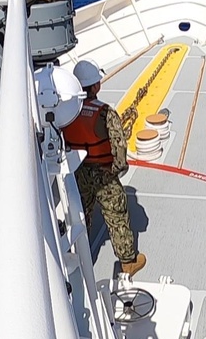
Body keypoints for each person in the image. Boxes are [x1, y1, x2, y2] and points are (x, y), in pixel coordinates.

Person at [63, 60, 147, 277]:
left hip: (78, 171)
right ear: (95, 86)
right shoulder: (105, 112)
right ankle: (128, 262)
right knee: (117, 214)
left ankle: (78, 256)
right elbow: (119, 145)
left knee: (81, 214)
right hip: (104, 173)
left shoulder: (66, 113)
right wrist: (117, 169)